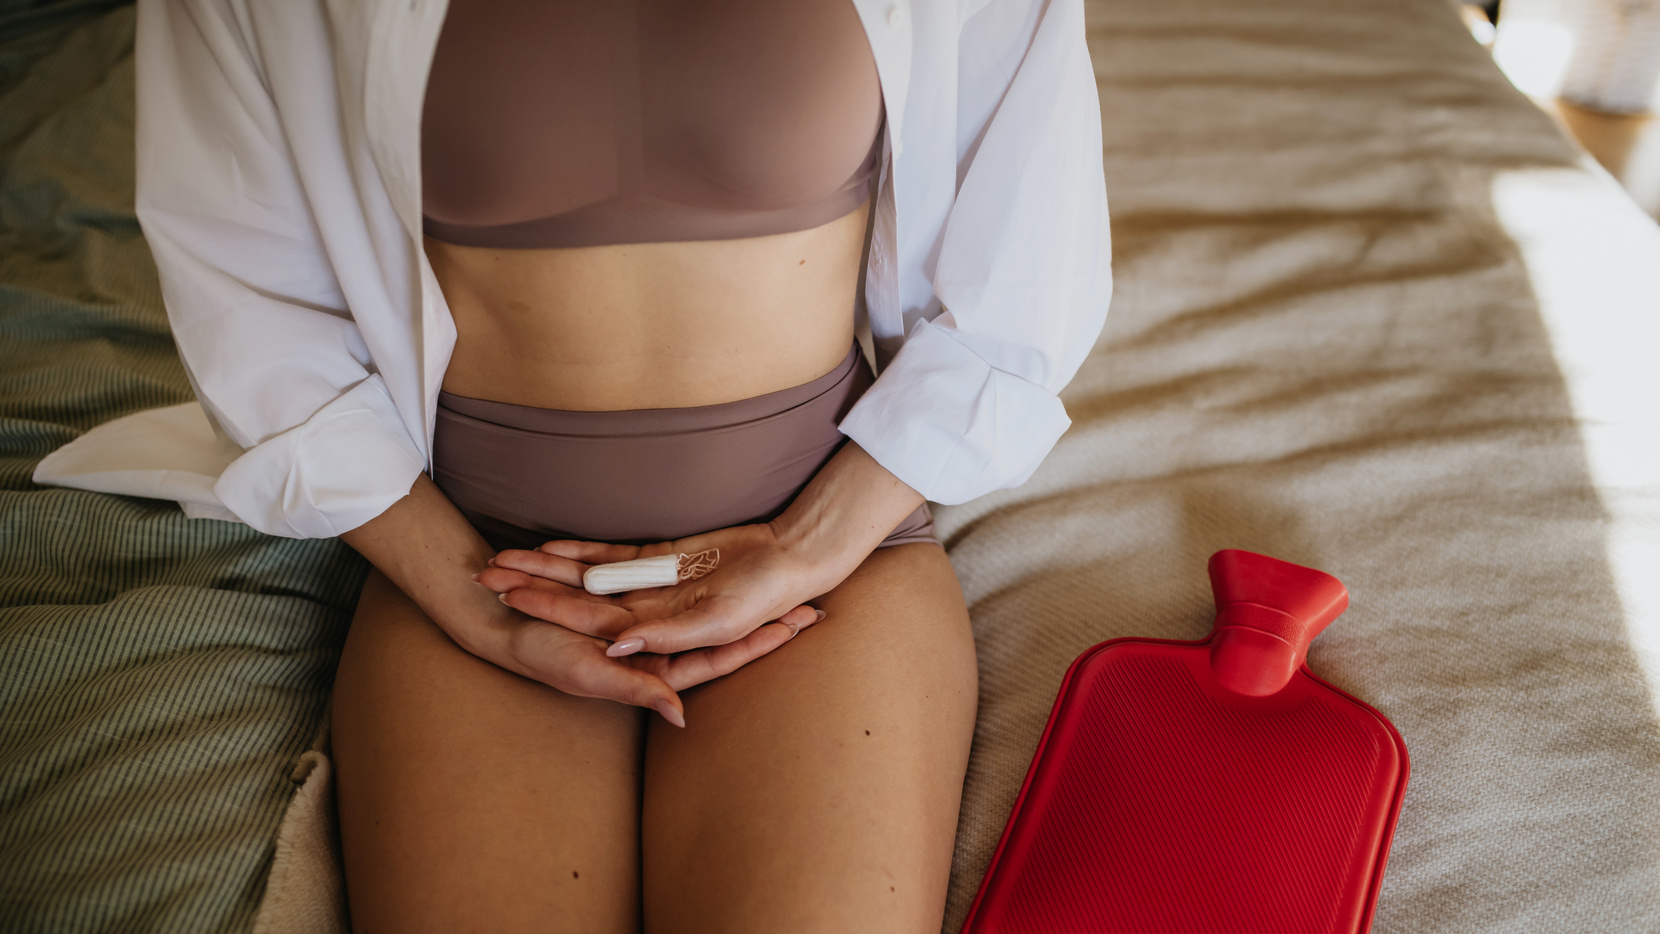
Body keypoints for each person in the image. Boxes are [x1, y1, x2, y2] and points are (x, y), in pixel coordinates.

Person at [132, 0, 1110, 929]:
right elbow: (250, 298)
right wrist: (469, 598)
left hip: (831, 556)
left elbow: (1022, 275)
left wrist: (806, 547)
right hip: (487, 561)